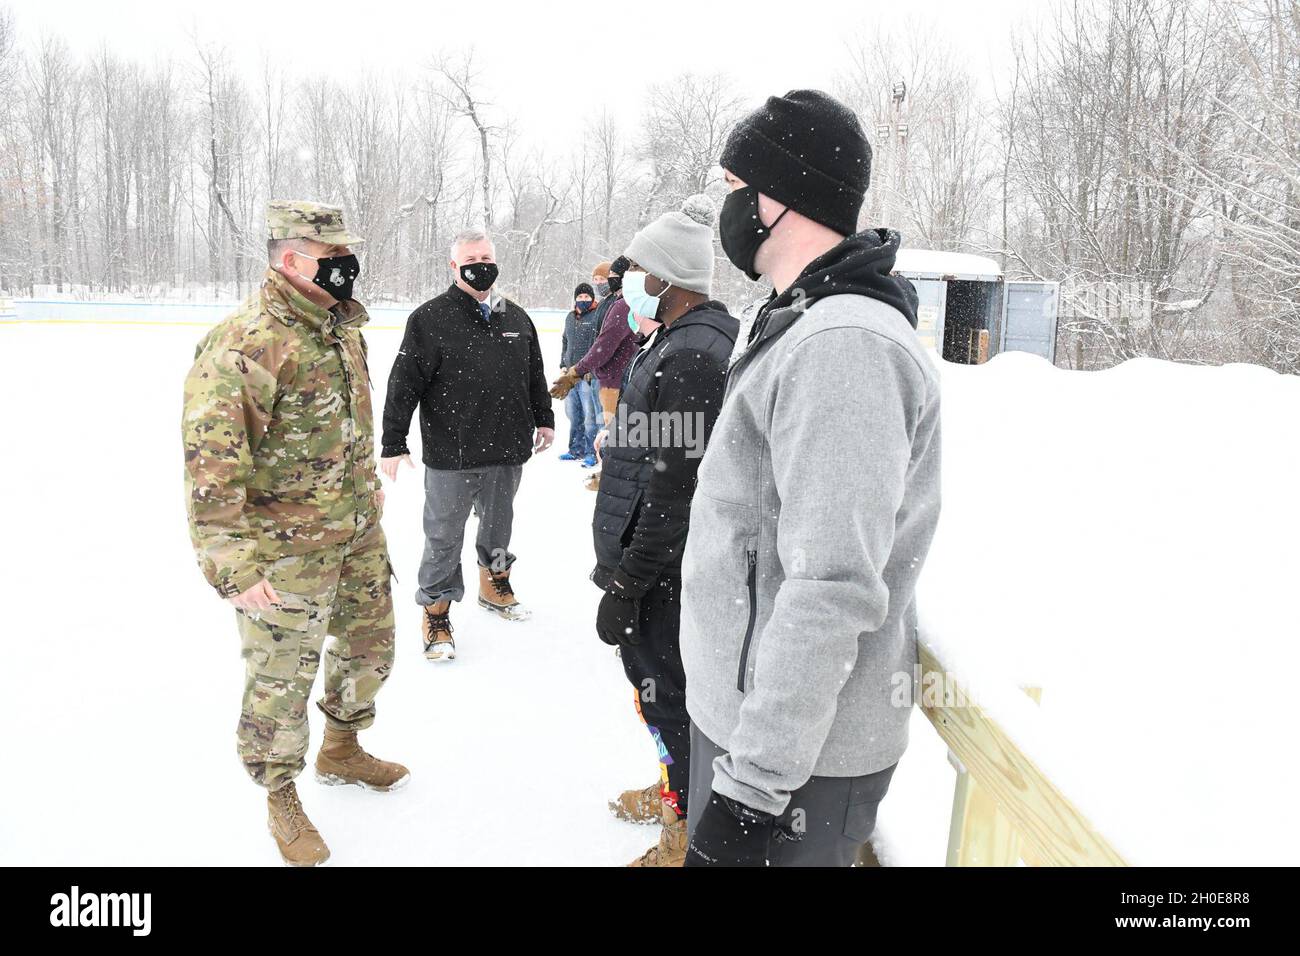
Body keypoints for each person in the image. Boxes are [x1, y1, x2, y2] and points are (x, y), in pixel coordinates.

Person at [680, 90, 942, 867]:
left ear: (780, 197)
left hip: (793, 770)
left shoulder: (845, 348)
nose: (726, 207)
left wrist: (752, 789)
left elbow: (832, 581)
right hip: (755, 733)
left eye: (735, 188)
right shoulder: (796, 318)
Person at [182, 200, 408, 868]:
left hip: (355, 534)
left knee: (371, 651)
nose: (347, 266)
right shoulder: (246, 344)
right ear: (290, 261)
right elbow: (212, 467)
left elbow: (345, 428)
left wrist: (364, 492)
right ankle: (280, 790)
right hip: (283, 555)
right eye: (332, 256)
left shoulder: (340, 330)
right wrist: (232, 564)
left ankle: (342, 748)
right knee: (280, 680)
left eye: (346, 253)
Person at [591, 196, 738, 867]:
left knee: (672, 698)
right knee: (655, 695)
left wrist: (628, 581)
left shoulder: (697, 356)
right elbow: (657, 454)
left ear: (666, 280)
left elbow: (676, 492)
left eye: (639, 269)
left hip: (664, 574)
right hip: (647, 563)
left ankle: (680, 835)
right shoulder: (672, 341)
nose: (627, 281)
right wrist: (618, 444)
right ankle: (673, 785)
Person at [380, 229, 555, 663]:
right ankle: (436, 612)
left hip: (508, 449)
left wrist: (544, 418)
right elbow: (403, 384)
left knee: (498, 529)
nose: (481, 264)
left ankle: (494, 584)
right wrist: (392, 441)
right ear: (454, 266)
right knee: (443, 538)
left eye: (487, 256)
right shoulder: (430, 318)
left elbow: (534, 373)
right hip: (452, 454)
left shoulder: (515, 317)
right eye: (471, 258)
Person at [551, 256, 637, 490]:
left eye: (609, 278)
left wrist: (576, 372)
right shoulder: (615, 302)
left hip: (616, 379)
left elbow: (604, 344)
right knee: (608, 427)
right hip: (609, 376)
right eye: (600, 279)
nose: (605, 283)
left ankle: (612, 476)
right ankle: (607, 470)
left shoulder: (623, 305)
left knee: (611, 429)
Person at [558, 283, 603, 466]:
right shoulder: (570, 317)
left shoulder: (596, 316)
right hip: (570, 375)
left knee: (590, 416)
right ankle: (575, 449)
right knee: (573, 414)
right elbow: (565, 341)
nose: (583, 300)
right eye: (580, 297)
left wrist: (592, 369)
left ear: (592, 298)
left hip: (587, 375)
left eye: (586, 297)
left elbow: (599, 344)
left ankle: (592, 452)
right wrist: (563, 364)